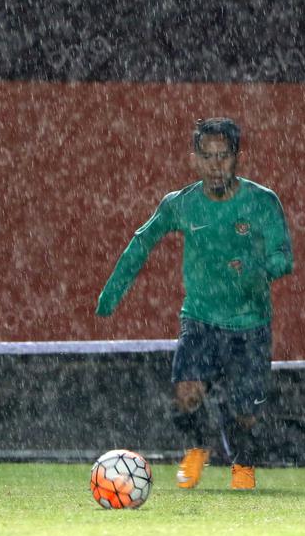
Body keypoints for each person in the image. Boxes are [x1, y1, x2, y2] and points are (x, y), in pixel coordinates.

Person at [95, 117, 293, 490]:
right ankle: (196, 448)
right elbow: (142, 242)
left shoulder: (263, 202)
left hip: (250, 322)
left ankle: (243, 464)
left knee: (245, 412)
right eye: (207, 157)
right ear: (195, 160)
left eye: (223, 156)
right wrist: (112, 292)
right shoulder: (180, 204)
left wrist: (255, 268)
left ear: (236, 158)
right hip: (200, 317)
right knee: (187, 392)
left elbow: (285, 257)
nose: (215, 165)